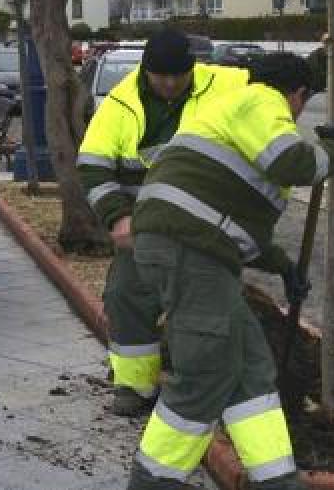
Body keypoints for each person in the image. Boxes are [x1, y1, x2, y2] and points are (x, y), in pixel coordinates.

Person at [125, 52, 334, 490]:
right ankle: (154, 480)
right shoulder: (263, 101)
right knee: (205, 371)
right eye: (302, 104)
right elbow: (294, 163)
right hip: (190, 253)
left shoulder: (230, 108)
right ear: (297, 95)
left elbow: (224, 216)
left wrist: (283, 266)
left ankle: (277, 480)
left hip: (186, 247)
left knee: (250, 369)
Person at [78, 27, 249, 416]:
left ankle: (207, 388)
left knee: (208, 306)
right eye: (162, 76)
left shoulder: (225, 84)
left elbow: (282, 83)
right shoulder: (120, 103)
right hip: (145, 228)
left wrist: (328, 55)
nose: (171, 84)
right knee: (126, 296)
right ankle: (136, 386)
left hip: (209, 225)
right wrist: (118, 218)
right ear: (145, 71)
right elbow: (92, 167)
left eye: (179, 75)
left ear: (193, 68)